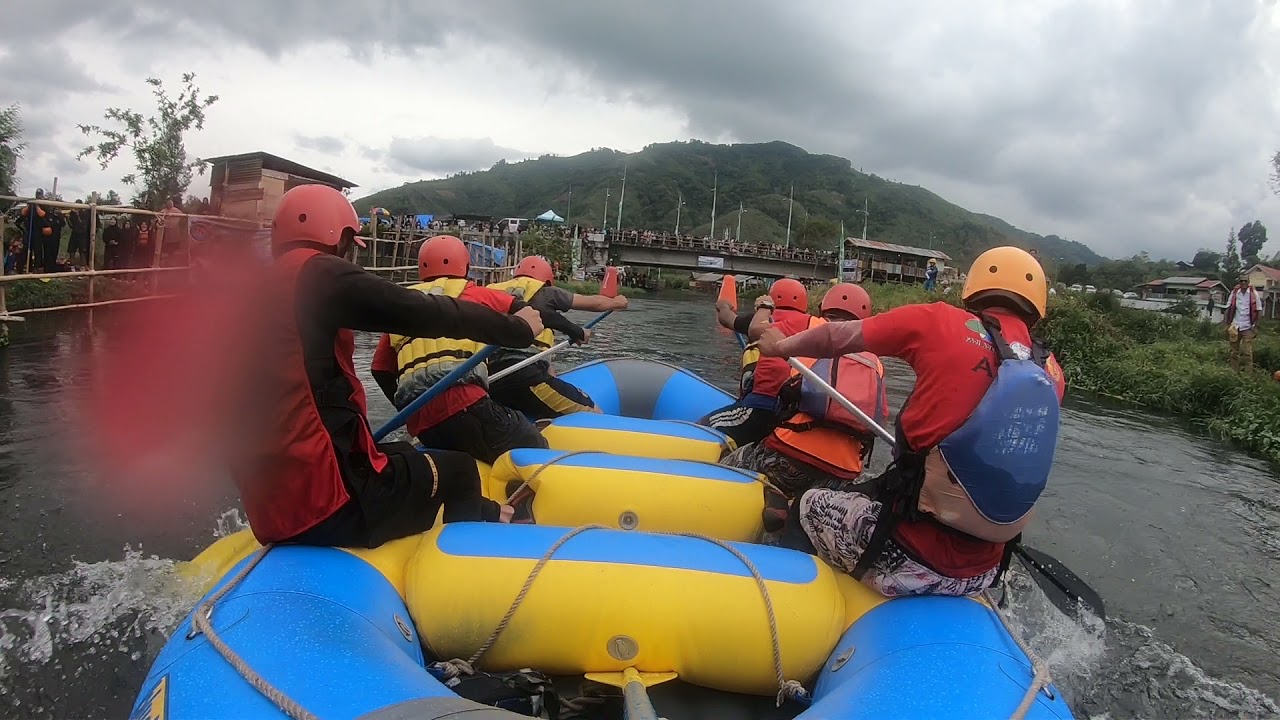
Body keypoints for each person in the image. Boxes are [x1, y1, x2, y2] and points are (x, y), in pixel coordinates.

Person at [235, 185, 543, 549]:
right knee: (459, 470)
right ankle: (475, 561)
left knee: (406, 453)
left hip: (273, 509)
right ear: (338, 236)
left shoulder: (253, 294)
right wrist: (518, 329)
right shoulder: (320, 275)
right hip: (332, 505)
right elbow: (422, 310)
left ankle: (493, 512)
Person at [758, 247, 1065, 597]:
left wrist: (782, 348)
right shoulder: (1051, 371)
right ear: (1037, 306)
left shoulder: (938, 320)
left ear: (975, 287)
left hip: (905, 555)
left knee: (808, 504)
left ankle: (787, 598)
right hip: (985, 571)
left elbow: (836, 336)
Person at [370, 237, 571, 463]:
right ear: (466, 267)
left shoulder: (404, 305)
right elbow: (526, 311)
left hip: (422, 423)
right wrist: (569, 330)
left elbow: (379, 370)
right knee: (534, 443)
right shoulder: (475, 293)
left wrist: (407, 407)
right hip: (467, 408)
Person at [722, 283, 889, 539]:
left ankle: (770, 496)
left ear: (823, 308)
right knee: (820, 486)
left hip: (789, 455)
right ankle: (797, 507)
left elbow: (777, 373)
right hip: (841, 472)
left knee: (732, 458)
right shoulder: (875, 362)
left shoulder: (811, 331)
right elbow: (880, 417)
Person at [486, 255, 628, 418]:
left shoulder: (490, 291)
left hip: (490, 381)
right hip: (524, 376)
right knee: (593, 412)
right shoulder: (546, 293)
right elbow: (593, 303)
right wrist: (617, 303)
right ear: (546, 279)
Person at [700, 278, 818, 447]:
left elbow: (727, 320)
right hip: (789, 410)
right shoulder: (814, 324)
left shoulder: (762, 320)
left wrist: (723, 305)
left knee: (703, 426)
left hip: (760, 405)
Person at [1225, 274, 1261, 372]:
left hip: (1248, 326)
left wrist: (1256, 326)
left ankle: (1248, 375)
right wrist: (1226, 323)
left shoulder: (1253, 293)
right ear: (1239, 282)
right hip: (1235, 326)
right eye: (1242, 281)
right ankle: (1234, 372)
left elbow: (1259, 310)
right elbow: (1228, 308)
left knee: (1247, 352)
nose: (1243, 283)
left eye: (1245, 281)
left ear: (1248, 282)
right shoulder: (1235, 293)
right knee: (1233, 352)